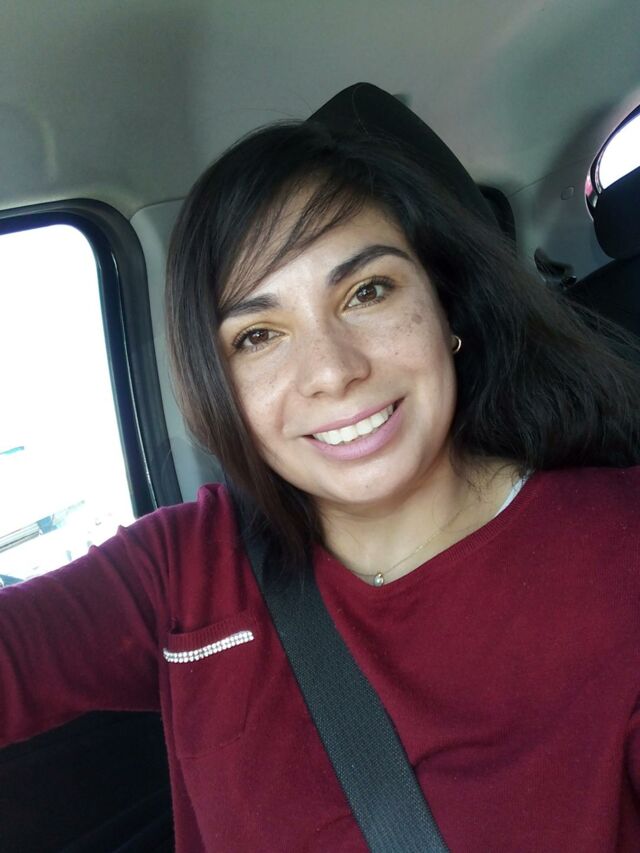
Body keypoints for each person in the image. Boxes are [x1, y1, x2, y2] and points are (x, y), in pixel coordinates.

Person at [2, 98, 640, 852]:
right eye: (258, 335)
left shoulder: (619, 547)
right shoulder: (185, 569)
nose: (333, 371)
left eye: (367, 292)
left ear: (445, 307)